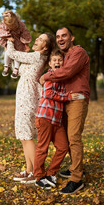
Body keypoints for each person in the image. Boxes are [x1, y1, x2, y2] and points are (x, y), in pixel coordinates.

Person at [40, 27, 90, 194]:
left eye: (64, 35)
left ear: (72, 37)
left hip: (77, 98)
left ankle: (77, 179)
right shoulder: (64, 57)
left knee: (74, 137)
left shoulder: (78, 52)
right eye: (58, 36)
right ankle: (76, 167)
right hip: (65, 100)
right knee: (68, 138)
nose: (60, 39)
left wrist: (46, 76)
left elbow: (67, 72)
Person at [21, 49, 79, 188]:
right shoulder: (50, 76)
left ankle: (50, 173)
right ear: (50, 63)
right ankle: (39, 177)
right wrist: (68, 97)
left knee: (63, 147)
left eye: (60, 60)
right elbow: (48, 94)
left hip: (57, 121)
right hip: (45, 118)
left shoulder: (61, 77)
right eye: (55, 60)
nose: (57, 62)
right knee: (43, 148)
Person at [5, 32, 56, 183]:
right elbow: (19, 70)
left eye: (40, 40)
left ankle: (37, 172)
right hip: (23, 96)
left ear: (45, 47)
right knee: (23, 135)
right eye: (38, 38)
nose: (36, 40)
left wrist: (9, 41)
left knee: (27, 136)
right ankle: (29, 169)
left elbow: (12, 53)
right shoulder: (33, 56)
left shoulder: (37, 56)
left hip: (28, 96)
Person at [0, 10, 31, 79]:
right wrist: (8, 37)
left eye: (13, 25)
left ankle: (16, 68)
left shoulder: (20, 24)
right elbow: (1, 31)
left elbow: (25, 33)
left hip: (18, 40)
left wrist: (26, 45)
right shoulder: (3, 23)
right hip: (8, 39)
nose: (12, 27)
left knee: (17, 53)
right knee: (7, 52)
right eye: (10, 26)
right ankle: (6, 66)